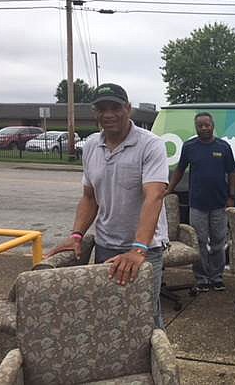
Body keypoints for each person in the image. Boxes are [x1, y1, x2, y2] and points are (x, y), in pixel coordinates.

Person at [45, 83, 169, 328]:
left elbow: (154, 197)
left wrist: (138, 250)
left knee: (145, 317)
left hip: (145, 249)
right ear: (95, 113)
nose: (108, 114)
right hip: (106, 245)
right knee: (107, 316)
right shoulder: (91, 145)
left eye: (115, 107)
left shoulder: (150, 145)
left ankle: (161, 367)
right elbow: (89, 197)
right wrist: (77, 233)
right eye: (102, 109)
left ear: (128, 109)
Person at [166, 112, 235, 292]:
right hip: (197, 204)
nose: (204, 128)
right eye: (200, 125)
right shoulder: (189, 147)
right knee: (198, 242)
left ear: (213, 126)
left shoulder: (223, 147)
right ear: (196, 127)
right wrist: (169, 189)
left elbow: (232, 173)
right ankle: (202, 278)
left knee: (218, 243)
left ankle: (217, 277)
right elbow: (180, 170)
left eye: (207, 125)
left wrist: (232, 196)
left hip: (219, 204)